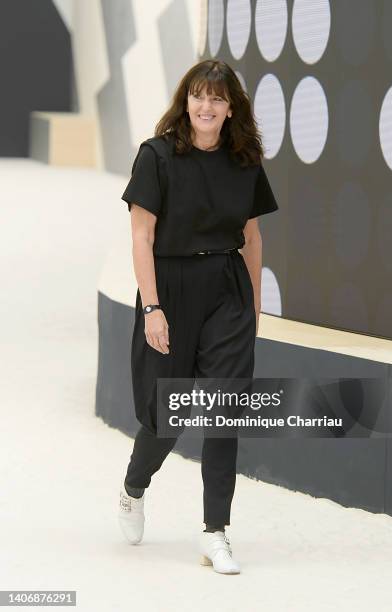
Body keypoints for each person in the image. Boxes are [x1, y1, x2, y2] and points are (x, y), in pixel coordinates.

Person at [117, 59, 278, 574]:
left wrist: (252, 306)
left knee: (224, 409)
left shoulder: (245, 160)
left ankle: (215, 531)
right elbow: (142, 237)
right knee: (170, 415)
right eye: (197, 96)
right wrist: (152, 307)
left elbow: (251, 237)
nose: (205, 107)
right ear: (185, 101)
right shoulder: (157, 156)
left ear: (231, 108)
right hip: (171, 287)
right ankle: (133, 487)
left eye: (216, 98)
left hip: (227, 289)